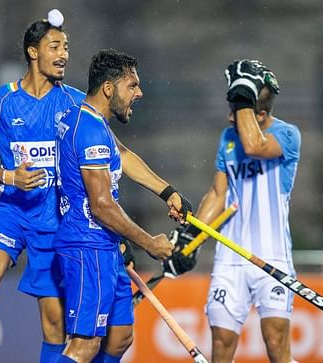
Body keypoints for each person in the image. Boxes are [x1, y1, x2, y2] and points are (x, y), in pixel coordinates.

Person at [0, 10, 85, 363]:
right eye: (55, 46)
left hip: (55, 219)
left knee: (55, 323)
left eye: (67, 47)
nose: (64, 54)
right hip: (11, 209)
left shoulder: (75, 102)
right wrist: (6, 176)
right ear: (33, 51)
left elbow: (108, 154)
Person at [54, 48, 192, 363]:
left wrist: (167, 191)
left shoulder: (89, 118)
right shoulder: (90, 131)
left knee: (119, 338)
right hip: (87, 245)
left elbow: (123, 155)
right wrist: (149, 244)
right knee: (84, 346)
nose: (139, 92)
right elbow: (102, 206)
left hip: (105, 245)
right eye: (132, 86)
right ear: (108, 88)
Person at [173, 59, 300, 363]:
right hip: (231, 259)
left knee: (276, 344)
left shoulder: (288, 135)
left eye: (237, 108)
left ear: (259, 113)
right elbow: (218, 193)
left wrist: (244, 93)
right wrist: (192, 237)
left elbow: (255, 145)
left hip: (273, 256)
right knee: (222, 345)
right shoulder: (227, 139)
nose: (230, 116)